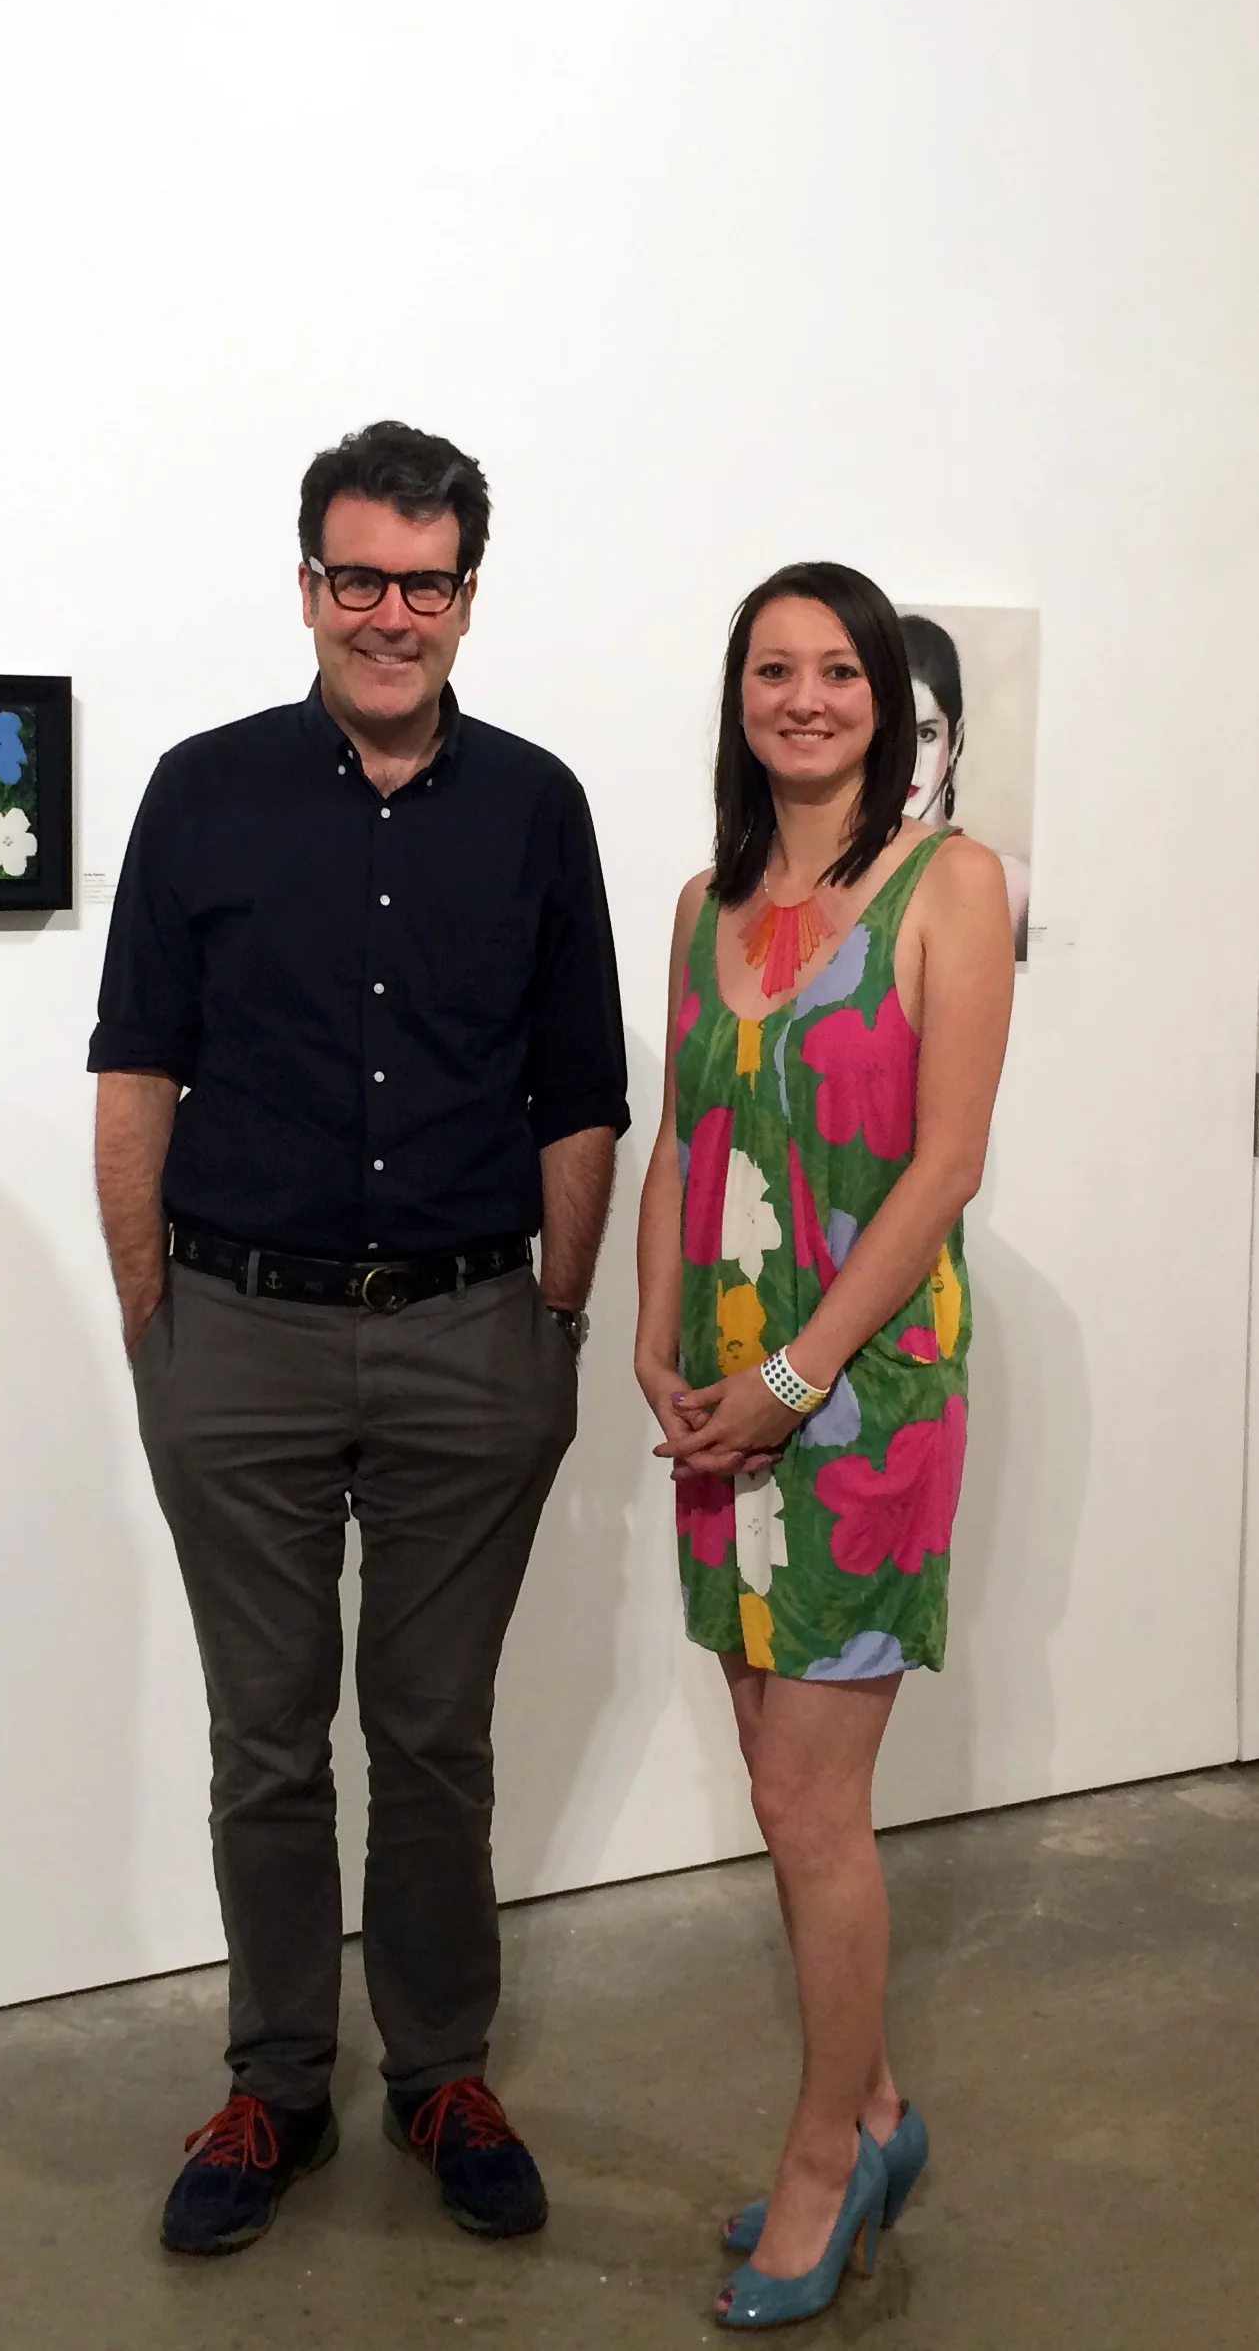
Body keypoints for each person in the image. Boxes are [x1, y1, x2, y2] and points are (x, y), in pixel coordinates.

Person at [90, 419, 628, 2256]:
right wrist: (154, 1327)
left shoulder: (537, 805)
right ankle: (276, 2082)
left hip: (473, 1333)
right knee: (263, 1735)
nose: (387, 612)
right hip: (233, 1330)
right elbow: (135, 1064)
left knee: (433, 1732)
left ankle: (440, 2068)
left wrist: (552, 1324)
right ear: (305, 581)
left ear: (466, 596)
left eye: (424, 580)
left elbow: (579, 1093)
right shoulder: (200, 790)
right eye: (355, 576)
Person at [633, 563, 1014, 2329]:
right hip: (723, 1394)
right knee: (781, 1796)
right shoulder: (704, 895)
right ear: (738, 695)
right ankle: (873, 2105)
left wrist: (792, 1371)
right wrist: (649, 1329)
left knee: (807, 1801)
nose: (802, 696)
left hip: (857, 1400)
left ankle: (821, 2152)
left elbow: (942, 1165)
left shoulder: (950, 885)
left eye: (836, 668)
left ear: (885, 696)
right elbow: (676, 1138)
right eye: (771, 668)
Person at [900, 612, 1031, 955]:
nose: (906, 760)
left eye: (925, 734)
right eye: (889, 736)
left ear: (955, 743)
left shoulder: (1010, 884)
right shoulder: (837, 880)